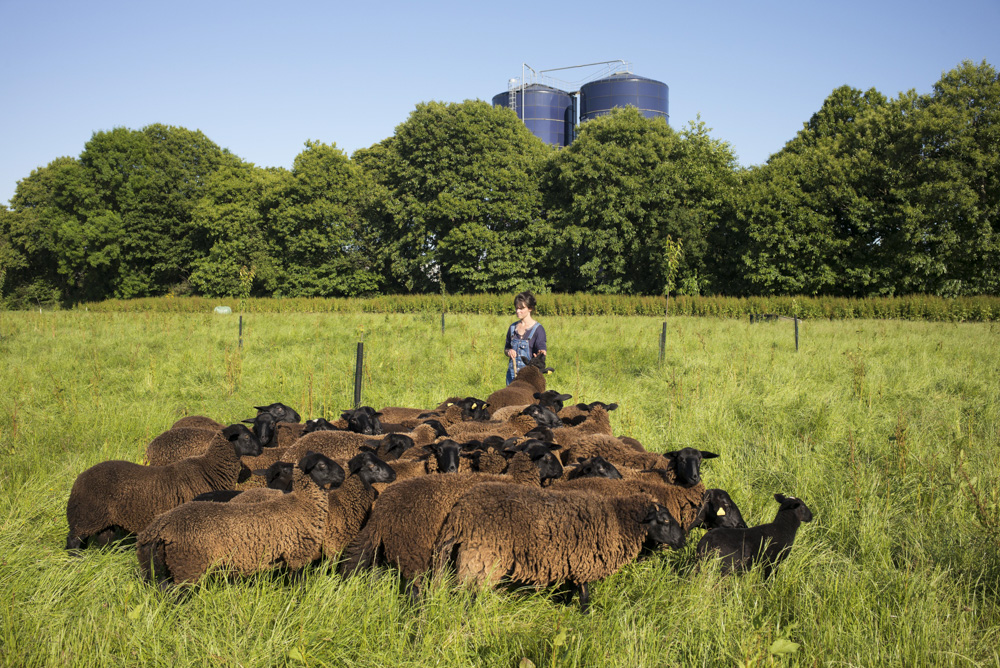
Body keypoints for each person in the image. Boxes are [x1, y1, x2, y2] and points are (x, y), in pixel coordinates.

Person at [504, 291, 547, 385]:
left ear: (530, 308)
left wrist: (541, 354)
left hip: (529, 376)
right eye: (516, 308)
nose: (517, 311)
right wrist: (509, 352)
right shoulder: (512, 328)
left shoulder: (538, 329)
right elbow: (506, 348)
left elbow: (542, 348)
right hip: (512, 375)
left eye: (521, 308)